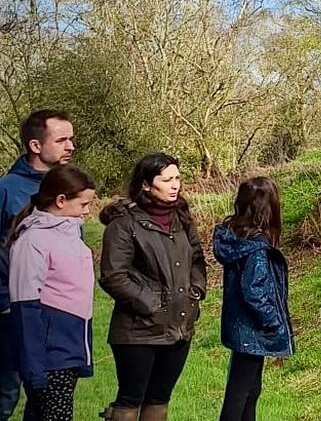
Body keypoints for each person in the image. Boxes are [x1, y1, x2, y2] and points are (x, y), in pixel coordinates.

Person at [98, 153, 207, 421]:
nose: (175, 185)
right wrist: (151, 304)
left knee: (159, 399)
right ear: (146, 184)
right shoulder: (124, 223)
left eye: (178, 178)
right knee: (130, 399)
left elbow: (197, 259)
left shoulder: (182, 218)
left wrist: (196, 293)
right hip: (138, 330)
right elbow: (114, 275)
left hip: (180, 327)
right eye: (166, 179)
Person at [0, 110, 75, 420]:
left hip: (56, 312)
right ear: (35, 145)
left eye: (71, 139)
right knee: (5, 392)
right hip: (11, 308)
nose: (70, 146)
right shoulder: (7, 190)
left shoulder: (70, 188)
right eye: (61, 140)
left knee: (46, 395)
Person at [5, 164, 96, 421]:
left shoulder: (71, 235)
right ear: (60, 200)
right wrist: (34, 365)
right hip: (49, 355)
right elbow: (24, 305)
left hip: (68, 349)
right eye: (83, 204)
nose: (87, 211)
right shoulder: (32, 241)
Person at [213, 176, 295, 421]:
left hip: (240, 326)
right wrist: (274, 323)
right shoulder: (257, 248)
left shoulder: (236, 240)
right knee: (240, 393)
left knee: (248, 390)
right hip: (253, 328)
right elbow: (255, 292)